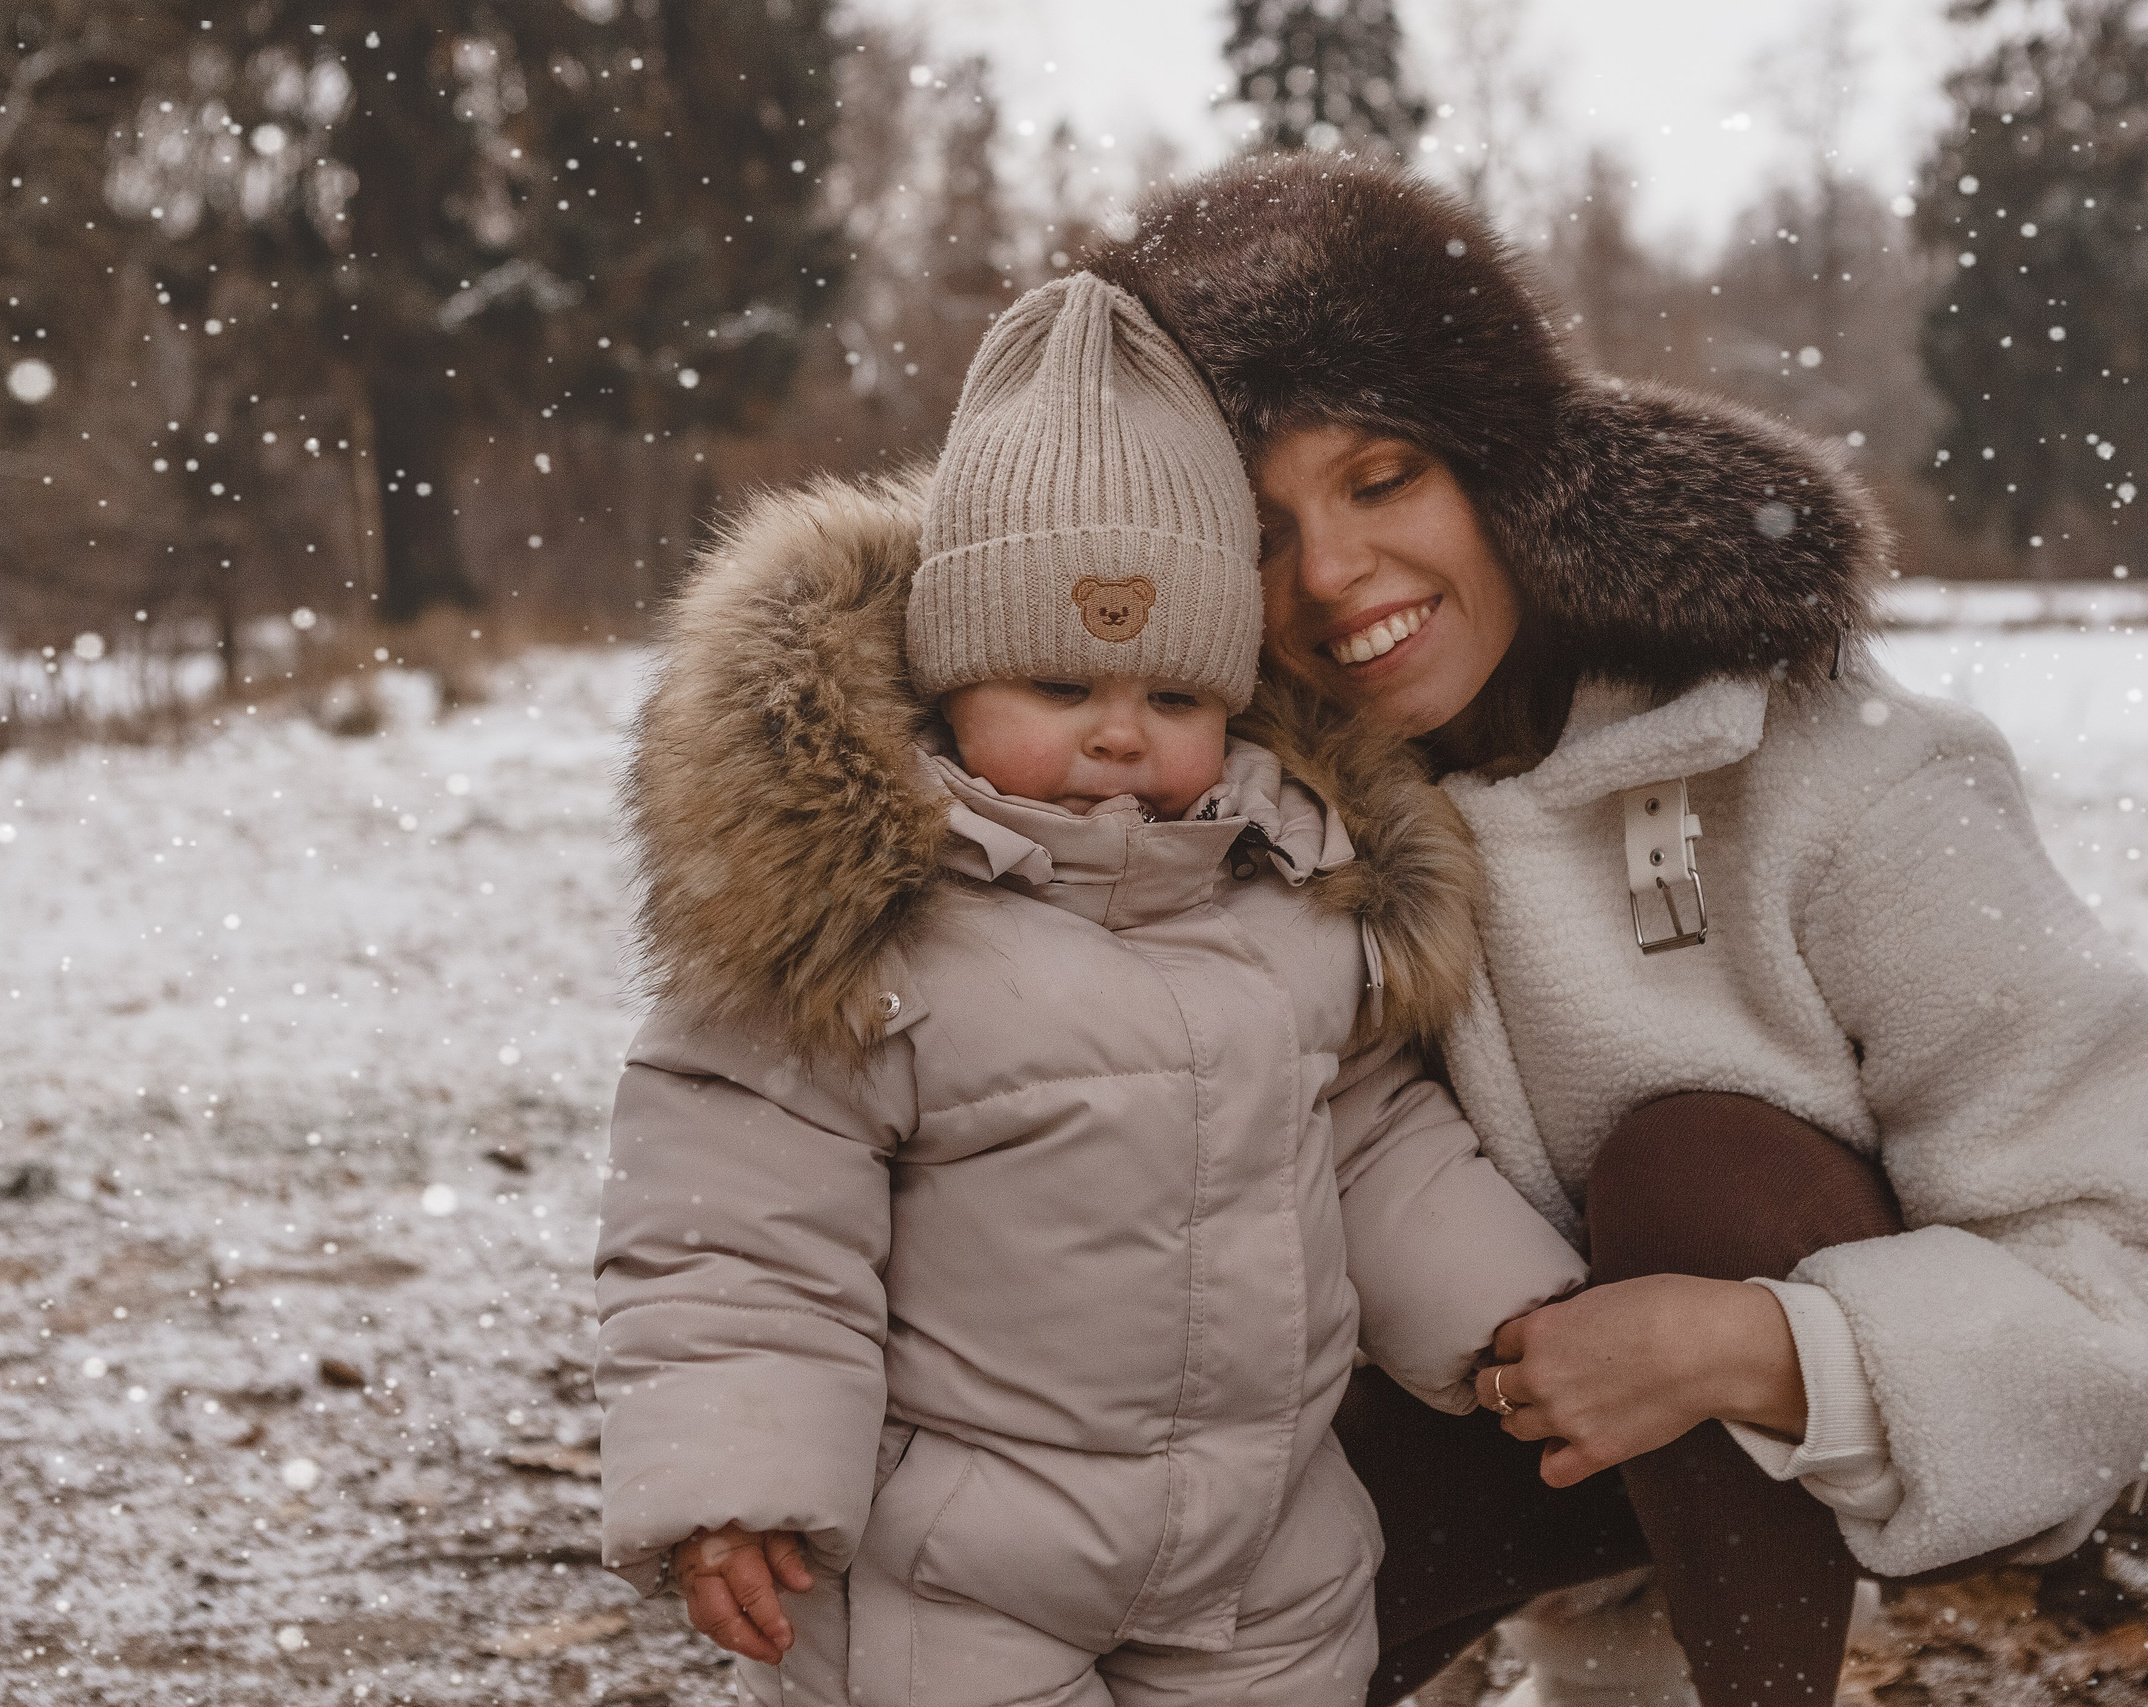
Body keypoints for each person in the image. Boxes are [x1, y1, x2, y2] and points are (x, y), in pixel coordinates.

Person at [1088, 156, 2148, 1702]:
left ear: (1502, 468)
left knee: (1697, 1163)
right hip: (1482, 1412)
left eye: (1382, 481)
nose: (1326, 576)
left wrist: (1753, 1349)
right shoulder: (1234, 795)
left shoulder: (1833, 768)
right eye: (1259, 530)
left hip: (1863, 1422)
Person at [592, 273, 1584, 1707]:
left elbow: (1368, 1143)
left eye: (1174, 699)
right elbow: (738, 1235)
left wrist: (1508, 1308)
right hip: (953, 1568)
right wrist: (734, 1474)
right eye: (1061, 689)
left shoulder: (1293, 890)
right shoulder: (862, 926)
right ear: (951, 684)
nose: (1121, 738)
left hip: (1264, 1561)